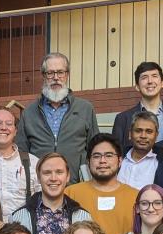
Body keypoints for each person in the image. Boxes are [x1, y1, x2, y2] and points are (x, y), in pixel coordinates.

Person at [15, 52, 101, 182]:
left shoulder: (85, 108)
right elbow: (21, 151)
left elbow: (95, 148)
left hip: (76, 185)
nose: (56, 78)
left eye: (60, 72)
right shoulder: (29, 112)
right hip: (40, 185)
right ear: (43, 76)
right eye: (50, 73)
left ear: (67, 75)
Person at [11, 152, 91, 234]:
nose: (53, 178)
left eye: (59, 172)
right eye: (47, 173)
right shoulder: (19, 217)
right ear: (38, 177)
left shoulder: (83, 217)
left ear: (68, 176)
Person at [65, 134, 139, 234]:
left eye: (109, 155)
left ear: (120, 161)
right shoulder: (70, 193)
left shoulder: (136, 196)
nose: (102, 160)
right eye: (96, 156)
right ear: (88, 161)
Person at [0, 106, 40, 221]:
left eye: (9, 123)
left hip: (23, 232)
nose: (3, 128)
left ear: (15, 130)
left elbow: (41, 201)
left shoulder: (33, 162)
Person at [112, 61, 163, 151]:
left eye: (154, 76)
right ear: (137, 86)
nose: (150, 81)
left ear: (162, 83)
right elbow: (116, 153)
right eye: (144, 77)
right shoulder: (122, 119)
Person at [116, 111, 163, 191]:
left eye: (149, 132)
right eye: (138, 131)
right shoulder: (116, 158)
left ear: (156, 136)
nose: (143, 136)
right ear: (130, 134)